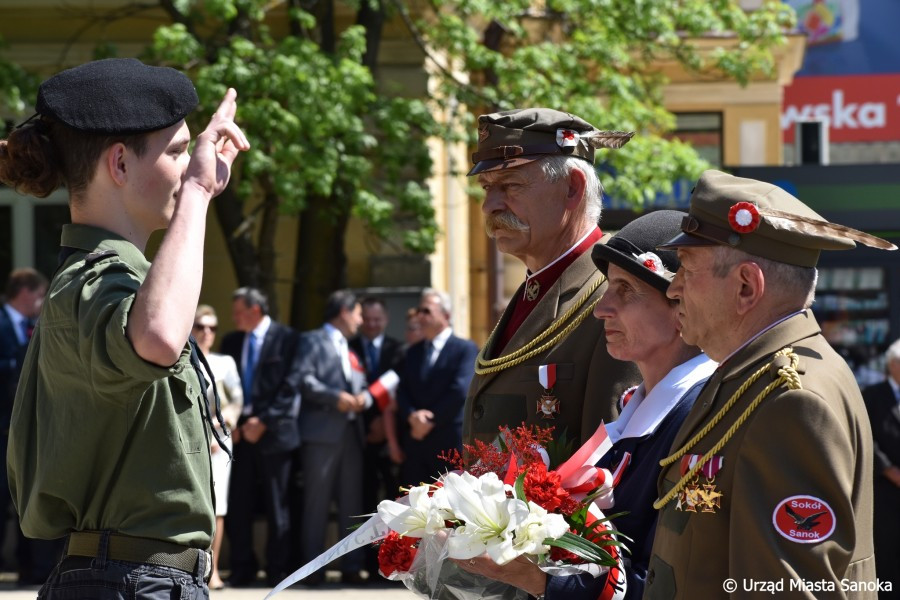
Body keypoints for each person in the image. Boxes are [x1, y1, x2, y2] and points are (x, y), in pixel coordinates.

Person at [0, 57, 249, 597]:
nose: (190, 168)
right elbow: (158, 338)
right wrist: (198, 196)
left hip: (136, 579)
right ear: (119, 163)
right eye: (180, 152)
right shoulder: (89, 280)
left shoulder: (125, 277)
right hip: (124, 581)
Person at [645, 170, 893, 599]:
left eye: (686, 269)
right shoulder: (751, 374)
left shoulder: (790, 400)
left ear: (746, 287)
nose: (673, 289)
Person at [455, 210, 717, 600]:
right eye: (608, 287)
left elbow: (679, 585)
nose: (601, 308)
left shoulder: (702, 419)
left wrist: (540, 581)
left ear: (682, 306)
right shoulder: (637, 413)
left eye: (626, 290)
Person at [464, 108, 640, 448]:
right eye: (487, 188)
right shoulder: (540, 286)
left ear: (572, 188)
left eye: (510, 185)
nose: (489, 206)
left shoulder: (616, 294)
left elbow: (608, 465)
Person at [219, 287, 303, 587]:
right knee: (238, 503)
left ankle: (277, 569)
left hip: (275, 434)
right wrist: (234, 422)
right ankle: (243, 567)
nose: (233, 317)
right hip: (239, 435)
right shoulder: (231, 341)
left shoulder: (288, 339)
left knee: (276, 504)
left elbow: (292, 385)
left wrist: (263, 421)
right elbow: (224, 388)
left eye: (238, 311)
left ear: (255, 310)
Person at [297, 290, 369, 585]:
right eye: (358, 313)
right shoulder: (311, 340)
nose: (361, 320)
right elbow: (304, 379)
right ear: (343, 311)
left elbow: (357, 379)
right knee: (317, 501)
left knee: (352, 502)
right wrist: (334, 397)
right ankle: (313, 568)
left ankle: (351, 566)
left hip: (351, 433)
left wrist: (361, 396)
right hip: (322, 435)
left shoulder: (350, 347)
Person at [0, 268, 61, 584]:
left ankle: (31, 570)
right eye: (39, 295)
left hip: (31, 433)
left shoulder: (36, 329)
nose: (41, 302)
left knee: (27, 500)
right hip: (3, 430)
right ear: (25, 292)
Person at [397, 288, 479, 487]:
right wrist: (412, 417)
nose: (420, 317)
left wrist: (430, 419)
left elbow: (460, 389)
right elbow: (402, 390)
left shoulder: (464, 348)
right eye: (419, 311)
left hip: (448, 443)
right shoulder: (413, 352)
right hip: (416, 441)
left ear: (446, 315)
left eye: (427, 311)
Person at [349, 297, 405, 576]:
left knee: (395, 501)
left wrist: (384, 426)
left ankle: (393, 562)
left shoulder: (398, 350)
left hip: (392, 437)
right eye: (367, 319)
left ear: (385, 320)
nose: (371, 325)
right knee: (364, 502)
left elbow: (400, 388)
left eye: (377, 319)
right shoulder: (351, 347)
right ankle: (368, 566)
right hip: (360, 437)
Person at [192, 305, 243, 590]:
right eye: (201, 326)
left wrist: (221, 428)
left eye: (212, 327)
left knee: (217, 507)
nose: (207, 332)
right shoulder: (181, 358)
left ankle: (212, 570)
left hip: (217, 443)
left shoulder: (225, 363)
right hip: (186, 441)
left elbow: (237, 401)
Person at [862, 340, 900, 599]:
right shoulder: (873, 395)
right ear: (892, 365)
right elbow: (867, 439)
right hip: (886, 493)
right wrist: (891, 471)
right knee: (887, 554)